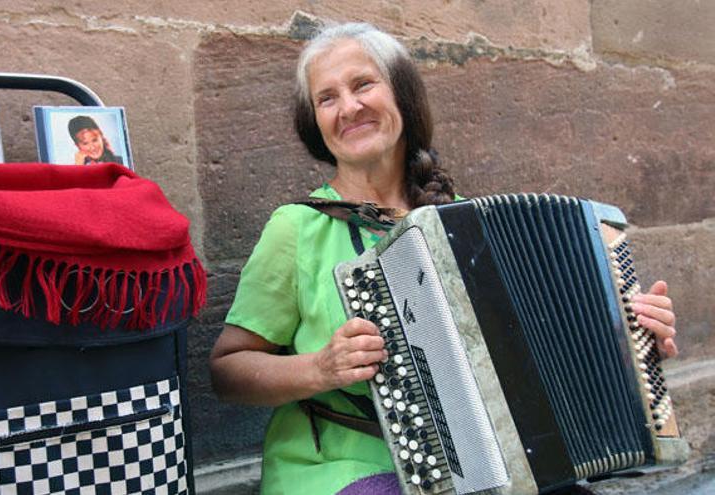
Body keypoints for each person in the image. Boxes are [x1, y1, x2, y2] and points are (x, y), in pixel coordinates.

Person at [209, 22, 679, 495]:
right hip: (342, 464)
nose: (349, 108)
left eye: (363, 84)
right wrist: (319, 368)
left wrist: (628, 336)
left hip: (483, 462)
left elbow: (535, 346)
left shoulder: (463, 222)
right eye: (326, 98)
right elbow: (228, 370)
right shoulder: (296, 228)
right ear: (314, 122)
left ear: (402, 96)